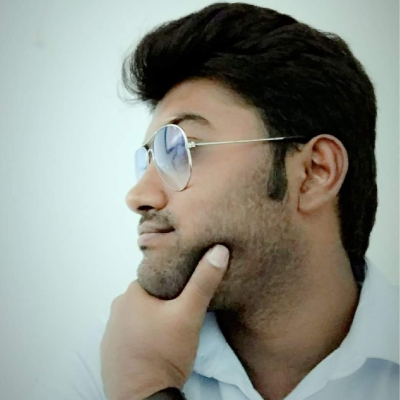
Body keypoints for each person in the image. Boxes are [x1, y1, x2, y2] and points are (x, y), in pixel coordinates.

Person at [32, 3, 400, 400]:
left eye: (181, 150)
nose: (138, 196)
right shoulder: (107, 362)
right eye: (149, 160)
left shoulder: (128, 380)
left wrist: (146, 391)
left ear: (314, 172)